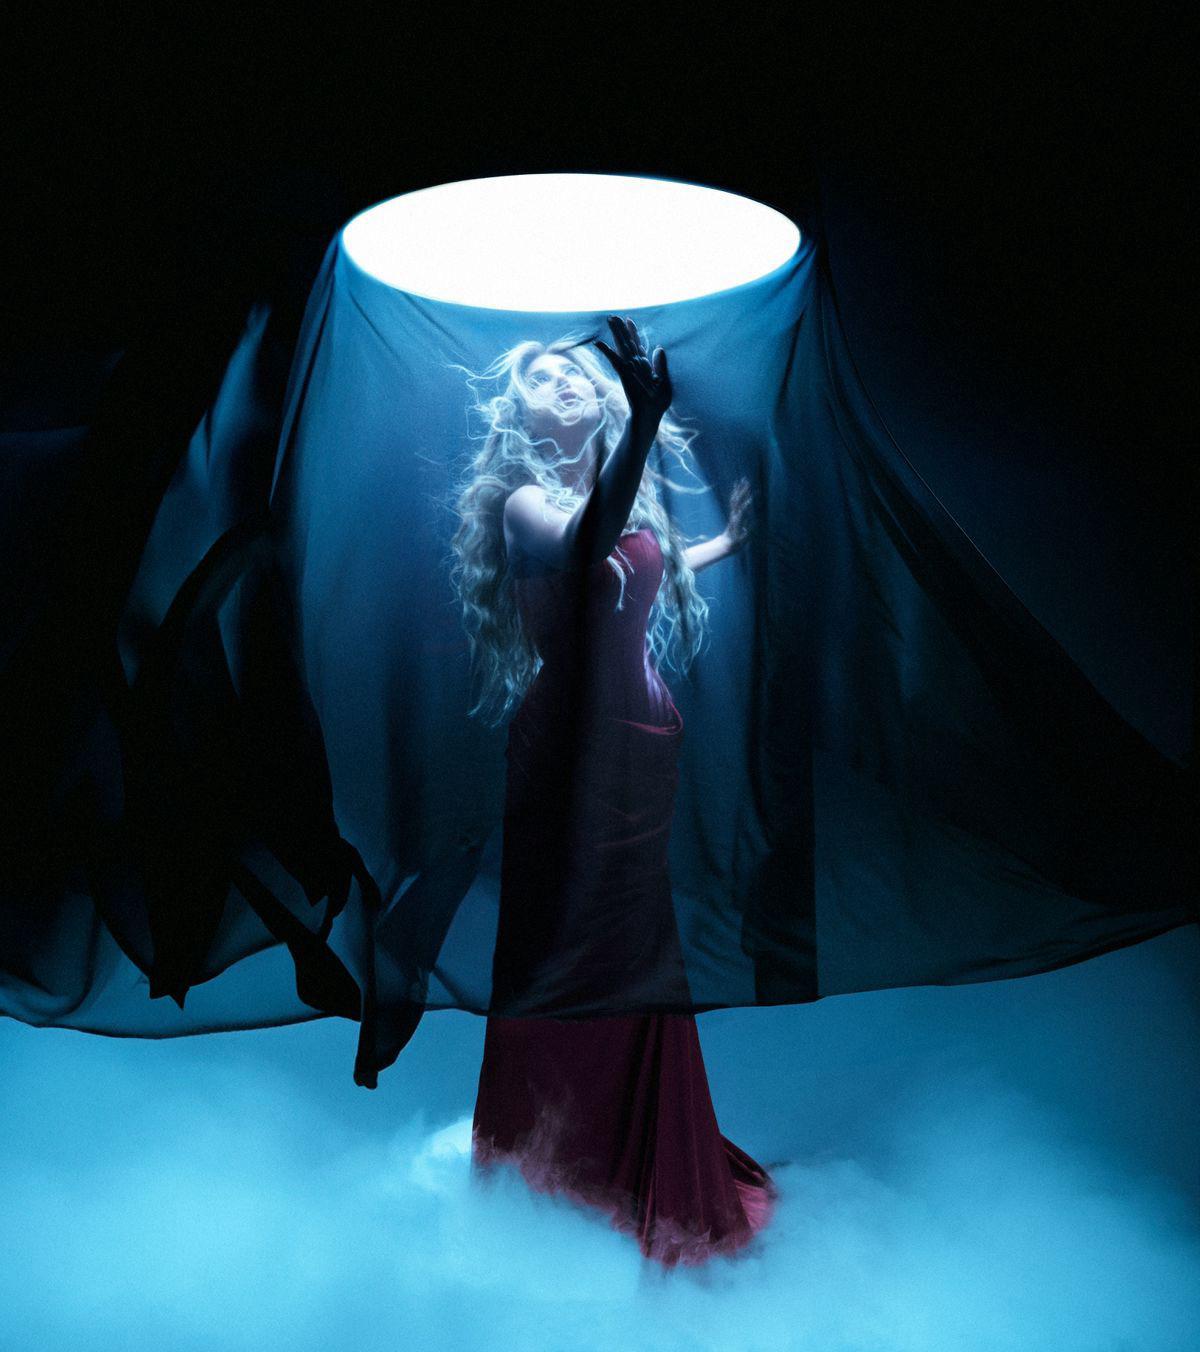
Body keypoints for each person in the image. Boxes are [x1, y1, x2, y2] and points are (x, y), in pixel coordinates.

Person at [449, 316, 775, 1267]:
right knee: (562, 945)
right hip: (567, 751)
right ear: (518, 413)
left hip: (640, 745)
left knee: (636, 947)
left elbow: (638, 568)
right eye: (546, 378)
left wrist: (725, 543)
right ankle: (549, 1167)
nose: (572, 384)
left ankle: (641, 1167)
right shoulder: (517, 501)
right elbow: (590, 543)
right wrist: (645, 419)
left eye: (579, 375)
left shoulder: (614, 489)